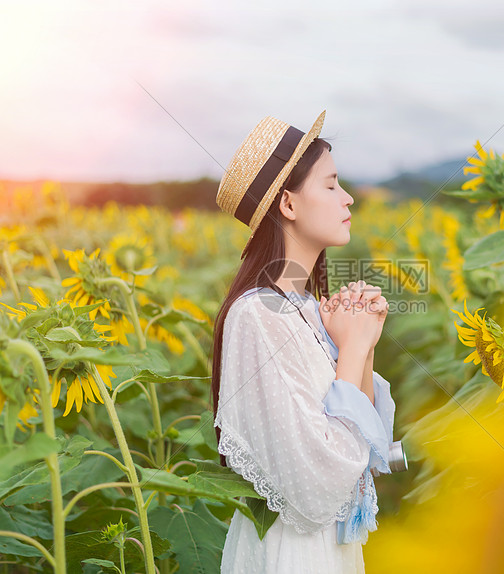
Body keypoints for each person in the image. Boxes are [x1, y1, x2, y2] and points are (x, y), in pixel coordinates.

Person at [211, 110, 396, 573]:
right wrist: (351, 349)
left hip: (331, 549)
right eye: (331, 185)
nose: (348, 198)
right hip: (292, 553)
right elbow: (317, 482)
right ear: (288, 205)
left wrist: (363, 340)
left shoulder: (308, 309)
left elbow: (364, 459)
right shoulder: (256, 316)